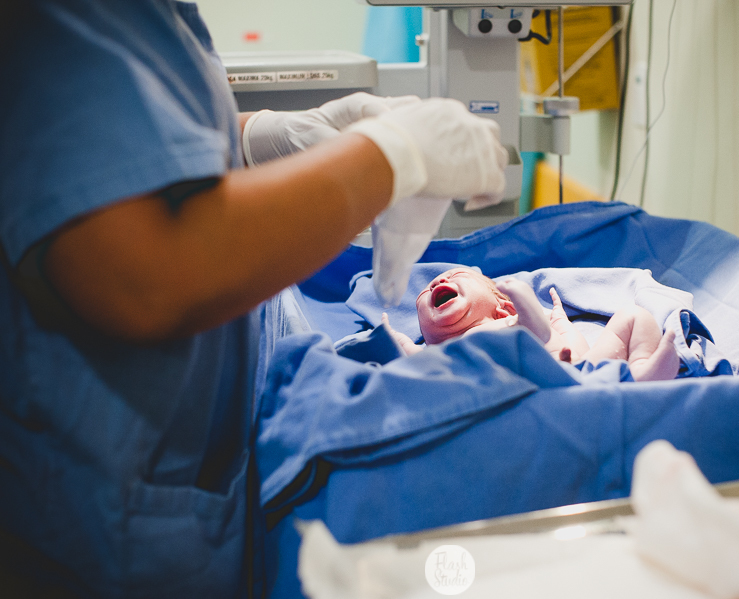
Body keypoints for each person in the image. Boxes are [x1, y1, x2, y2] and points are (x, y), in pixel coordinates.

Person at [0, 2, 506, 597]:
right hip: (108, 513)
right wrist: (386, 157)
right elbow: (141, 275)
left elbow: (123, 137)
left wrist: (253, 139)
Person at [383, 267, 680, 382]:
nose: (439, 281)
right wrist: (395, 337)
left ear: (502, 307)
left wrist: (558, 318)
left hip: (581, 371)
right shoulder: (444, 352)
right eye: (425, 293)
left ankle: (642, 373)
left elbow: (565, 339)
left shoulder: (509, 322)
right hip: (520, 385)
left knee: (633, 315)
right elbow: (412, 356)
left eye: (458, 276)